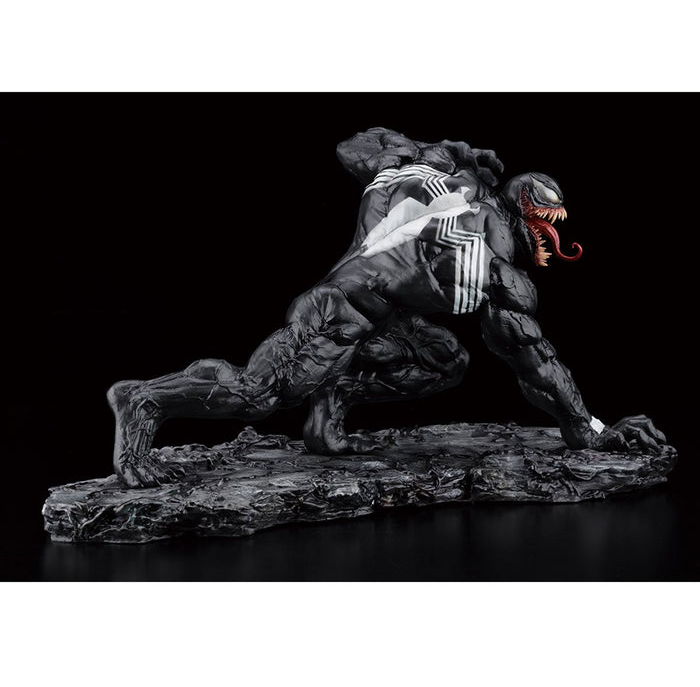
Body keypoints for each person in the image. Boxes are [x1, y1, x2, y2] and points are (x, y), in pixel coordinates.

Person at [109, 128, 666, 487]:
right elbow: (534, 361)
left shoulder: (431, 175)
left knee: (443, 359)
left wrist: (436, 150)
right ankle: (142, 401)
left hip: (378, 318)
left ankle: (327, 419)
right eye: (541, 220)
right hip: (337, 314)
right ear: (521, 213)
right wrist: (588, 428)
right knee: (259, 394)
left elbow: (356, 147)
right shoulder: (492, 262)